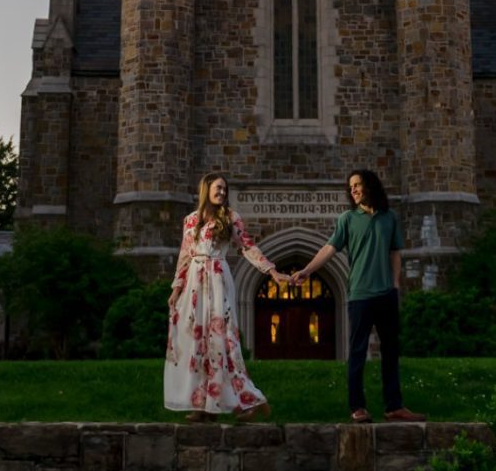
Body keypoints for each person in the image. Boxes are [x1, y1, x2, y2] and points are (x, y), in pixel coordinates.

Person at [291, 169, 426, 423]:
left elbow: (395, 251)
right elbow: (330, 247)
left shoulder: (389, 218)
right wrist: (308, 270)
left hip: (386, 294)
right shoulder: (348, 219)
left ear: (370, 186)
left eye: (357, 185)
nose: (352, 190)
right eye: (350, 186)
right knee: (357, 351)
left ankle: (394, 407)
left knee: (391, 352)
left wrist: (396, 283)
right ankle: (357, 407)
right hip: (360, 295)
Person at [165, 171, 290, 422]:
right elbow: (185, 255)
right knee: (195, 342)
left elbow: (246, 246)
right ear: (207, 189)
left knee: (221, 341)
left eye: (224, 189)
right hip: (194, 284)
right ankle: (203, 407)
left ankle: (249, 401)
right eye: (218, 188)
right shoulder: (191, 220)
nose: (222, 192)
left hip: (217, 279)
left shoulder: (231, 218)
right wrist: (176, 288)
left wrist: (271, 270)